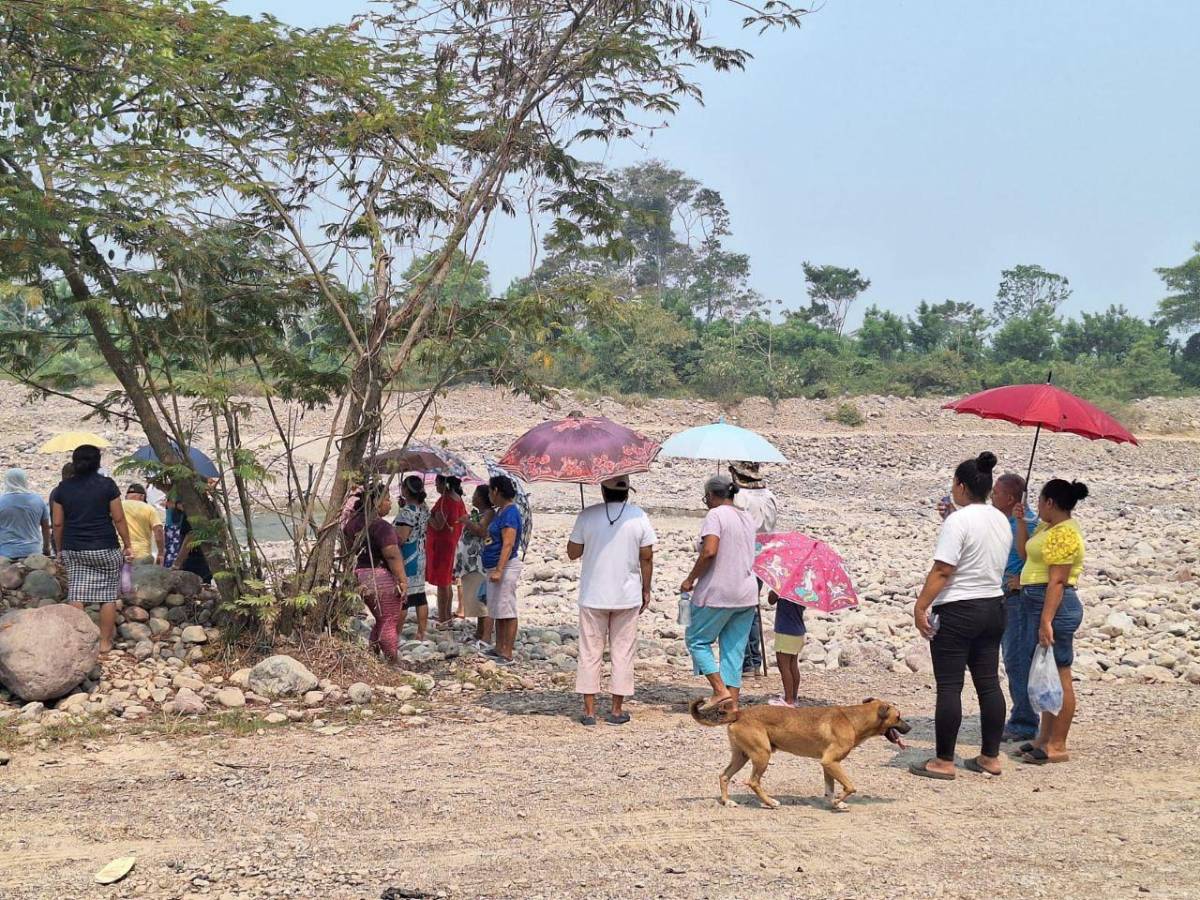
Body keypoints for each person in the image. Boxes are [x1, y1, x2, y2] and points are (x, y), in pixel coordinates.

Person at [910, 452, 1010, 780]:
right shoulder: (1000, 519)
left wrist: (921, 606)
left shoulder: (958, 521)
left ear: (962, 486)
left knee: (950, 685)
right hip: (993, 606)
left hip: (958, 609)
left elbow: (943, 569)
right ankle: (990, 757)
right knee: (988, 683)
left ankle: (944, 760)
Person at [941, 472, 1040, 742]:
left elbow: (1035, 556)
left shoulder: (1026, 522)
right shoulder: (1000, 519)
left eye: (996, 492)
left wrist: (1022, 579)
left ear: (1010, 498)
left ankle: (1024, 722)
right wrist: (953, 517)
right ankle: (1023, 716)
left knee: (1017, 659)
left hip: (1016, 598)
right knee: (1009, 659)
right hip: (999, 595)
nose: (991, 495)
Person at [566, 476, 656, 726]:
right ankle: (616, 710)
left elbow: (572, 553)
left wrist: (586, 533)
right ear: (627, 493)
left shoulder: (587, 515)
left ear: (603, 491)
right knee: (623, 651)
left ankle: (589, 711)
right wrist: (646, 588)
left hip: (593, 595)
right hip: (627, 595)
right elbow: (647, 557)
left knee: (589, 651)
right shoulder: (638, 516)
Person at [1013, 479, 1089, 765]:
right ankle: (1043, 738)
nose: (1039, 506)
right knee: (1047, 674)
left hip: (1054, 606)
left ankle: (1057, 744)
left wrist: (1046, 620)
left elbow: (1057, 579)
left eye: (1040, 500)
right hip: (1038, 602)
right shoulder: (1048, 528)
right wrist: (1021, 523)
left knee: (1060, 673)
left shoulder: (1065, 532)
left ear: (1050, 503)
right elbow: (1025, 554)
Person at [681, 474, 759, 714]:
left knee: (697, 640)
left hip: (719, 591)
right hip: (746, 592)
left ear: (711, 495)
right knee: (733, 650)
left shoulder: (715, 515)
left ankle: (719, 690)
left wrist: (690, 579)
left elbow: (709, 551)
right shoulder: (746, 516)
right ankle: (731, 707)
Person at [51, 445, 133, 653]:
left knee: (77, 593)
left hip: (74, 548)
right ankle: (105, 643)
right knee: (107, 596)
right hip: (105, 546)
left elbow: (58, 523)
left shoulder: (63, 488)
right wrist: (127, 544)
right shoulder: (107, 485)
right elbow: (119, 518)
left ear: (75, 462)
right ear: (98, 463)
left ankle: (81, 643)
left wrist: (59, 549)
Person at [343, 482, 409, 662]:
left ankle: (373, 655)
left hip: (360, 575)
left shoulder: (352, 523)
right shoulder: (381, 527)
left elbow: (346, 551)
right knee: (389, 619)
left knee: (381, 619)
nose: (390, 503)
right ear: (375, 502)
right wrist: (402, 580)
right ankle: (392, 661)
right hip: (380, 577)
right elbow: (392, 555)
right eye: (387, 499)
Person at [729, 461, 777, 678]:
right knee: (752, 607)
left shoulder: (741, 498)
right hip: (763, 555)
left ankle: (746, 662)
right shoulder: (769, 496)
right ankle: (754, 661)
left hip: (743, 556)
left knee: (739, 609)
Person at [483, 474, 523, 664]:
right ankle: (499, 647)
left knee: (507, 608)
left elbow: (508, 543)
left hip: (505, 566)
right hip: (493, 565)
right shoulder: (500, 511)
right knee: (498, 609)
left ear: (496, 491)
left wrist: (499, 569)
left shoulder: (510, 513)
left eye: (490, 491)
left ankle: (507, 652)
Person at [456, 485, 494, 650]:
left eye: (475, 495)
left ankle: (484, 633)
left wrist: (467, 521)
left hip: (478, 562)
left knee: (481, 599)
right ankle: (479, 631)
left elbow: (481, 531)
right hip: (470, 563)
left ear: (482, 498)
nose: (473, 497)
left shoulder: (489, 513)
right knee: (475, 598)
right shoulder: (479, 513)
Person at [394, 474, 431, 641]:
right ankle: (421, 632)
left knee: (403, 595)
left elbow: (401, 538)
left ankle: (396, 632)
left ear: (406, 490)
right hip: (420, 554)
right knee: (420, 594)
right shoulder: (423, 509)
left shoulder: (407, 513)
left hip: (408, 556)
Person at [427, 475, 468, 626]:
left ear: (445, 484)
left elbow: (438, 524)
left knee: (442, 583)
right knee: (448, 581)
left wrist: (426, 515)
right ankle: (446, 616)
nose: (436, 486)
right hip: (453, 542)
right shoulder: (458, 499)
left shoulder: (445, 501)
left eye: (437, 483)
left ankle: (443, 618)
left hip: (443, 544)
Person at [0, 469, 50, 561]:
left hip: (6, 553)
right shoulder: (38, 500)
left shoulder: (1, 501)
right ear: (25, 480)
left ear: (7, 481)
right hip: (33, 553)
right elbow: (45, 527)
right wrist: (46, 548)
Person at [767, 591, 805, 707]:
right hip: (798, 630)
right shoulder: (803, 589)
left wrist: (774, 590)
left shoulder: (783, 586)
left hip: (785, 630)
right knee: (793, 665)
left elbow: (771, 600)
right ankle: (793, 697)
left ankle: (788, 700)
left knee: (784, 666)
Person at [122, 483, 165, 565]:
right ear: (142, 496)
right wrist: (161, 553)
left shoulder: (118, 507)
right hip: (141, 554)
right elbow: (158, 531)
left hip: (121, 552)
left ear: (127, 496)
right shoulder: (149, 509)